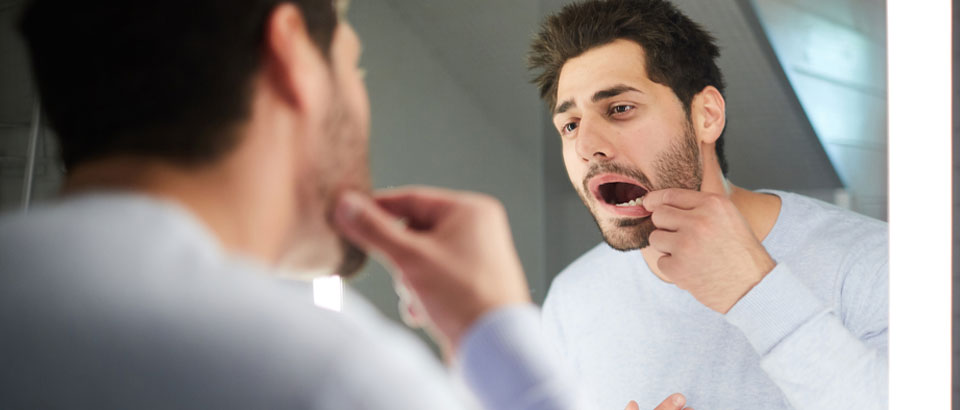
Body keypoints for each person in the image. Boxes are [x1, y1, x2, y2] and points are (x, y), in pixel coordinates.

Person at [0, 0, 701, 409]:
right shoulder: (317, 375)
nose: (588, 144)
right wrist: (496, 336)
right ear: (294, 58)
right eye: (354, 65)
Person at [527, 0, 888, 409]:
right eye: (570, 125)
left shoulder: (874, 264)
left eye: (620, 108)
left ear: (707, 115)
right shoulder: (572, 299)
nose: (588, 147)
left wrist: (754, 291)